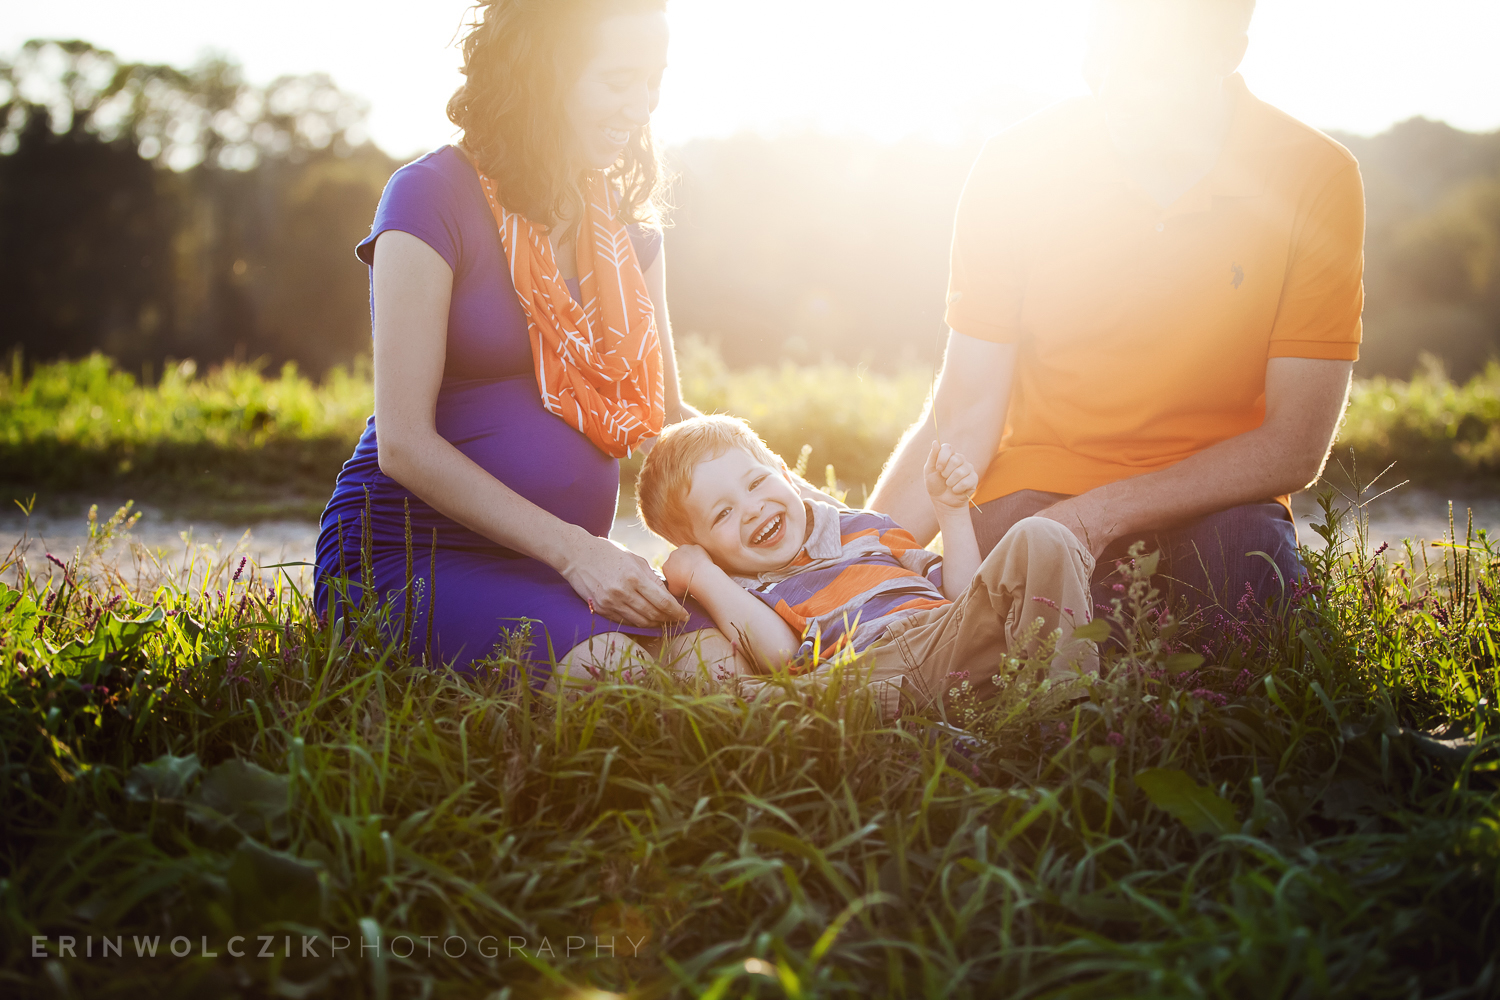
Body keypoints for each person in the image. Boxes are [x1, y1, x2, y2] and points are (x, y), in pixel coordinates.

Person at [870, 0, 1363, 620]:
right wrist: (858, 565)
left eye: (1151, 64)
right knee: (1017, 643)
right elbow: (965, 414)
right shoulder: (1014, 165)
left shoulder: (1315, 174)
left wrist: (1093, 515)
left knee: (1251, 592)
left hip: (1215, 504)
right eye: (1102, 55)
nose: (1115, 85)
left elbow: (1294, 444)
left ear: (1227, 53)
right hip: (1032, 494)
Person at [313, 0, 739, 680]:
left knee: (722, 661)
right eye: (619, 79)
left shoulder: (631, 235)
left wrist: (823, 520)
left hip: (562, 568)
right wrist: (577, 552)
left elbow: (667, 422)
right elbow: (403, 444)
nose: (642, 105)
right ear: (548, 74)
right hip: (411, 555)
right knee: (615, 671)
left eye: (654, 79)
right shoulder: (429, 197)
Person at [635, 415, 1101, 719]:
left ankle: (1068, 707)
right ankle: (898, 717)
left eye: (757, 483)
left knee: (1042, 534)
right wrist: (702, 574)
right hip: (859, 674)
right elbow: (778, 654)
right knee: (753, 703)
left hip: (945, 640)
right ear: (700, 547)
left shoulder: (865, 527)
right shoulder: (739, 587)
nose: (752, 510)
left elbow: (959, 596)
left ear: (783, 470)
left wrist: (951, 512)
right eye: (722, 514)